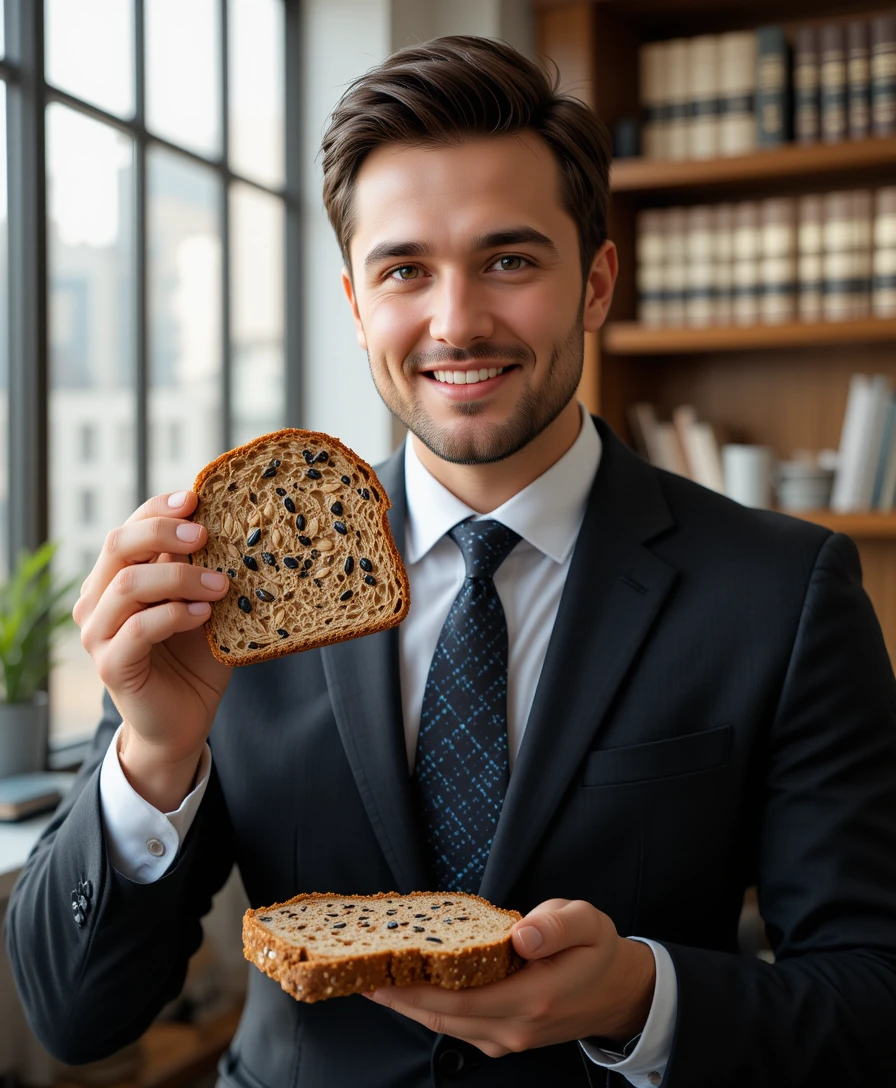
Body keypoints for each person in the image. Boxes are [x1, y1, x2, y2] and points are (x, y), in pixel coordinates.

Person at [6, 35, 896, 1088]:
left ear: (595, 282)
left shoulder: (781, 593)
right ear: (353, 303)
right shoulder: (234, 585)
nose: (456, 320)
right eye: (404, 269)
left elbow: (872, 998)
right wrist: (153, 751)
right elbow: (75, 1015)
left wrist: (637, 997)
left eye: (508, 260)